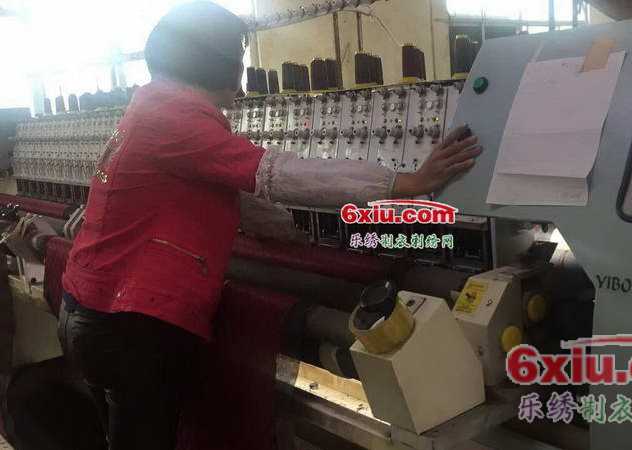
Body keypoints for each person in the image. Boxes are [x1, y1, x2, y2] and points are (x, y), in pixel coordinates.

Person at [56, 2, 481, 449]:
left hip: (91, 311)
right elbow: (277, 174)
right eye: (238, 59)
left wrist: (295, 237)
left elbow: (232, 194)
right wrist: (407, 182)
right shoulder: (175, 118)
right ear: (217, 62)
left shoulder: (151, 109)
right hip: (130, 329)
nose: (241, 79)